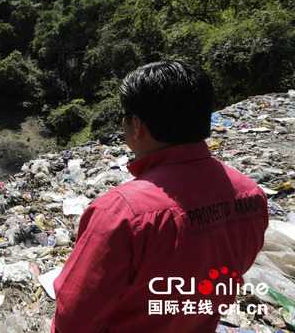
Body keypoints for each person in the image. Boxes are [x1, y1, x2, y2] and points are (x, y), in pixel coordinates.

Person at [52, 60, 268, 332]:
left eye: (124, 116)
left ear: (137, 125)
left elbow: (72, 320)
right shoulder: (252, 194)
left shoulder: (121, 213)